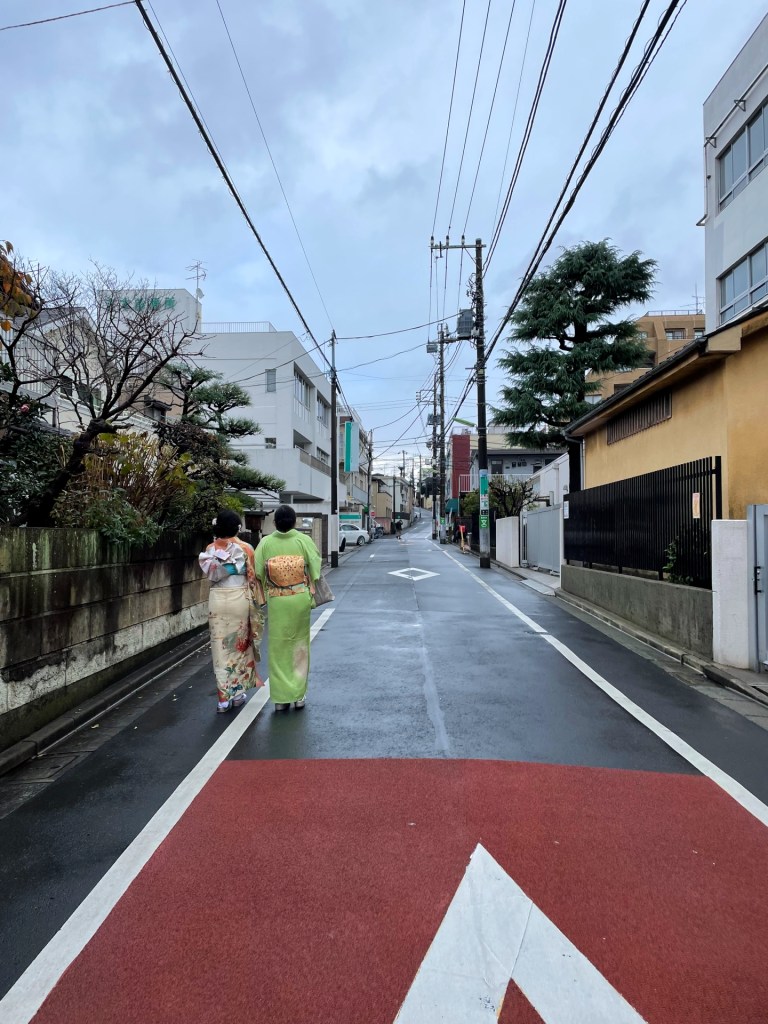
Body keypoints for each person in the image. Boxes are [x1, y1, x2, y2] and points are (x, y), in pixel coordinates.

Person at [254, 504, 322, 712]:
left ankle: (281, 699)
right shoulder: (303, 540)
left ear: (275, 523)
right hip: (299, 598)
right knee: (299, 645)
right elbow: (316, 567)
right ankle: (298, 695)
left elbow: (258, 572)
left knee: (278, 646)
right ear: (294, 522)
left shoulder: (266, 543)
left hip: (277, 599)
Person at [199, 510, 264, 714]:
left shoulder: (210, 549)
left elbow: (211, 575)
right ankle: (236, 694)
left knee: (219, 648)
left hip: (217, 598)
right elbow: (253, 577)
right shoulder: (245, 548)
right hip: (238, 597)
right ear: (237, 527)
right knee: (239, 645)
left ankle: (222, 699)